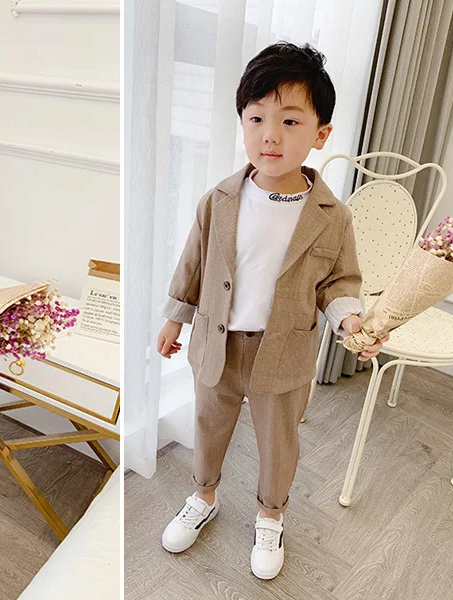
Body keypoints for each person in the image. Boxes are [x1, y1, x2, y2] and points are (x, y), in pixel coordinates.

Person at [157, 42, 388, 580]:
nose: (270, 135)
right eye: (257, 118)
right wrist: (174, 317)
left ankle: (270, 514)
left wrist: (350, 320)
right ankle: (204, 496)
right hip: (218, 343)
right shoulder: (219, 199)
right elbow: (193, 263)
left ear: (321, 134)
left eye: (290, 121)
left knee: (278, 439)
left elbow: (340, 281)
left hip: (283, 351)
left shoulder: (332, 216)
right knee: (208, 424)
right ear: (241, 123)